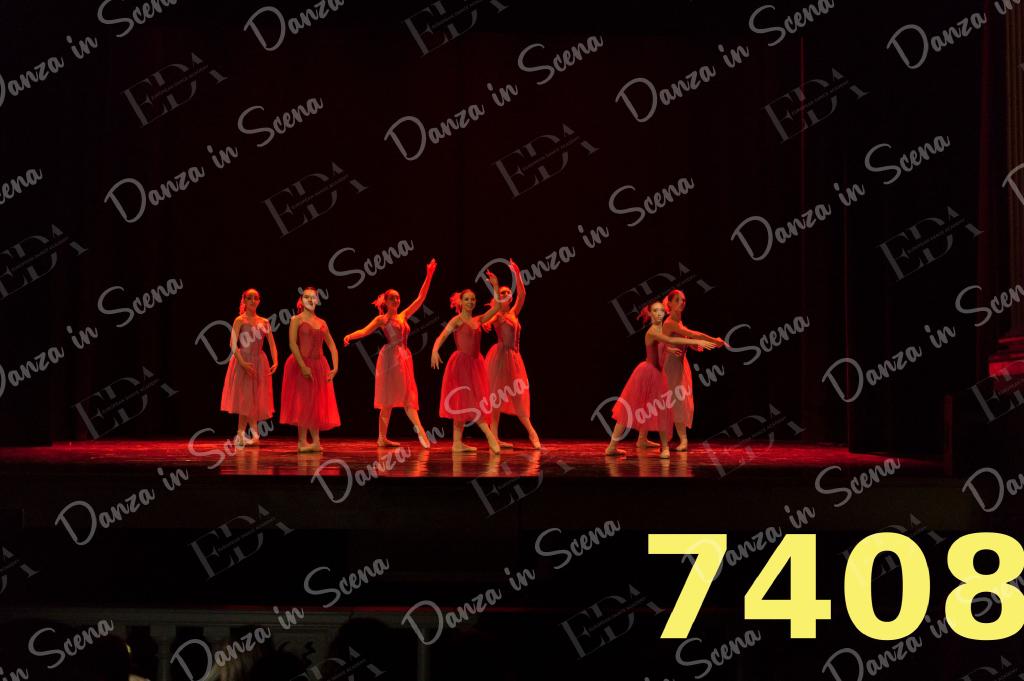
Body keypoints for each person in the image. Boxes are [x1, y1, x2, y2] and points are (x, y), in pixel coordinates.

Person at [605, 301, 719, 458]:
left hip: (657, 373)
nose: (659, 314)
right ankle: (613, 446)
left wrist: (670, 349)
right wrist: (695, 341)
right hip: (647, 373)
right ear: (650, 314)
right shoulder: (653, 331)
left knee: (661, 408)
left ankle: (658, 446)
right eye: (655, 311)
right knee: (631, 410)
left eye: (661, 310)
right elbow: (671, 340)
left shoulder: (660, 329)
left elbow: (664, 344)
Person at [343, 259, 437, 448]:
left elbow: (420, 298)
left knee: (408, 396)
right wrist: (350, 336)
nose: (396, 300)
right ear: (385, 301)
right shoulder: (382, 319)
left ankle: (417, 433)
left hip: (404, 358)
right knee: (388, 400)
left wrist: (429, 275)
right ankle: (384, 437)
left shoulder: (404, 315)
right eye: (392, 298)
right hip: (390, 359)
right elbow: (364, 331)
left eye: (398, 297)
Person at [431, 271, 504, 454]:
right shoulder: (457, 320)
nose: (470, 302)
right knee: (468, 401)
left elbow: (497, 307)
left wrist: (495, 286)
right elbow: (442, 336)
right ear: (461, 302)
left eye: (473, 299)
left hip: (476, 364)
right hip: (460, 365)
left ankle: (457, 443)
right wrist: (434, 350)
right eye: (467, 299)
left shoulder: (479, 319)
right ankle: (489, 436)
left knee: (466, 402)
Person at [483, 259, 541, 449]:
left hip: (515, 359)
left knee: (519, 395)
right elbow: (489, 319)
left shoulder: (514, 313)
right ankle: (494, 437)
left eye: (508, 292)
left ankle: (531, 432)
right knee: (496, 397)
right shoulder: (498, 315)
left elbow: (522, 294)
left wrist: (517, 274)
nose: (506, 294)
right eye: (502, 293)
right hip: (500, 358)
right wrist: (486, 324)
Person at [280, 287, 340, 452]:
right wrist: (303, 366)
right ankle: (301, 442)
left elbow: (332, 345)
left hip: (319, 365)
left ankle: (315, 441)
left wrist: (335, 367)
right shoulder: (296, 319)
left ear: (317, 300)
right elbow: (292, 344)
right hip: (301, 364)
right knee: (304, 401)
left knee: (315, 402)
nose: (310, 300)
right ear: (301, 300)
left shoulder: (322, 323)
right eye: (306, 297)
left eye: (313, 297)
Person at [220, 289, 277, 446]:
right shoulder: (240, 320)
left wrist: (276, 361)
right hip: (243, 361)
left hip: (259, 362)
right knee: (245, 398)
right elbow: (232, 344)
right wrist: (243, 363)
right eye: (250, 298)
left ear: (259, 301)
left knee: (254, 398)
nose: (253, 300)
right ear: (244, 301)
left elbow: (272, 344)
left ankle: (249, 434)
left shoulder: (264, 322)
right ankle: (246, 434)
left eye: (256, 298)